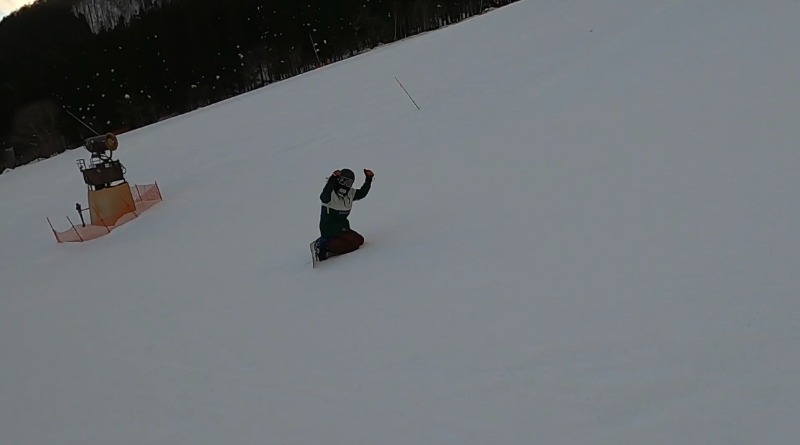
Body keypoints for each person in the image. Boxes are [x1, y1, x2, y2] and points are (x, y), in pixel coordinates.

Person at [314, 168, 374, 261]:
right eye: (343, 181)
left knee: (360, 240)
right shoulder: (330, 194)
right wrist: (333, 178)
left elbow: (362, 193)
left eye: (348, 183)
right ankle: (325, 245)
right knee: (353, 246)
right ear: (338, 180)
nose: (345, 185)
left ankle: (335, 243)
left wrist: (368, 179)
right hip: (329, 230)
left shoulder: (350, 194)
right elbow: (323, 196)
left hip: (342, 228)